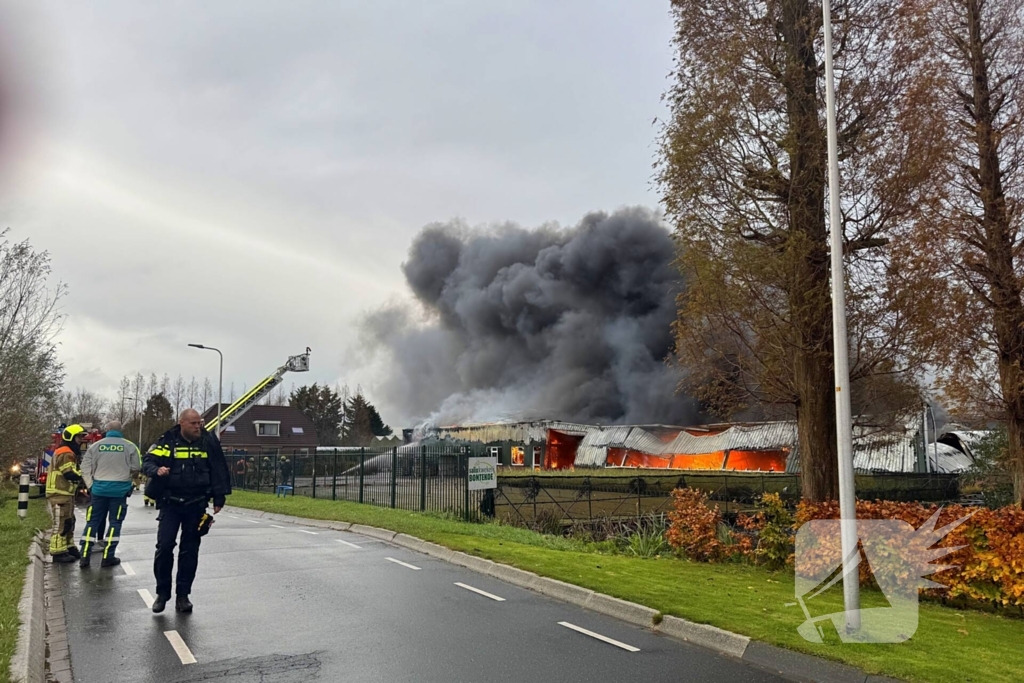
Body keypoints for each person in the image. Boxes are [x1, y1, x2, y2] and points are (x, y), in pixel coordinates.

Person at [143, 408, 231, 614]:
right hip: (170, 503)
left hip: (197, 503)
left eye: (199, 423)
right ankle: (162, 593)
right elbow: (147, 461)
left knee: (189, 551)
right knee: (164, 547)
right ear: (181, 423)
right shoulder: (167, 440)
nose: (198, 426)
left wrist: (219, 497)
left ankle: (183, 595)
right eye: (193, 423)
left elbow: (218, 469)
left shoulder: (208, 441)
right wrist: (156, 470)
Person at [78, 420, 141, 569]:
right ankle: (108, 557)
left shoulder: (95, 446)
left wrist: (91, 485)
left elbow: (84, 467)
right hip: (119, 491)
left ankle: (84, 557)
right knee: (115, 523)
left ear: (107, 430)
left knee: (92, 522)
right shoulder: (130, 446)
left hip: (98, 489)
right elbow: (136, 467)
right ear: (121, 430)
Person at [46, 425, 87, 563]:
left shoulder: (69, 451)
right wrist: (85, 476)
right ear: (71, 437)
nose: (81, 440)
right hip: (59, 492)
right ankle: (57, 552)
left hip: (65, 493)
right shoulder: (66, 452)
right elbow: (69, 473)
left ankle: (68, 547)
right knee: (61, 523)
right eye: (79, 437)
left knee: (69, 521)